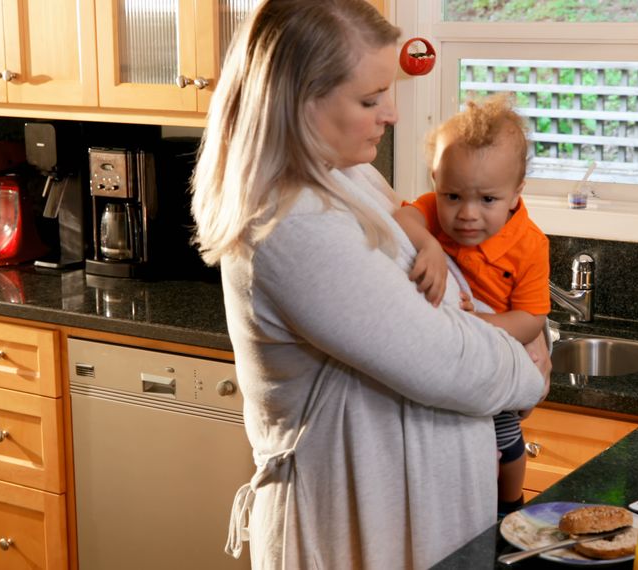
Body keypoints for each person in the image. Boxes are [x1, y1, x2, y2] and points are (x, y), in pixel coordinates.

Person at [188, 1, 550, 568]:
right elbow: (444, 361)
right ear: (299, 100)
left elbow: (441, 307)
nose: (393, 114)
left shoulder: (349, 176)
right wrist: (523, 367)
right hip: (354, 533)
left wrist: (508, 340)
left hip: (409, 525)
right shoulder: (293, 224)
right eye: (370, 98)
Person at [392, 95, 550, 515]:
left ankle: (510, 504)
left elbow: (532, 318)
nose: (467, 215)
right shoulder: (430, 211)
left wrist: (482, 322)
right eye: (453, 196)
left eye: (488, 200)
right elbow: (402, 220)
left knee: (506, 437)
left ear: (516, 194)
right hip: (452, 358)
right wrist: (427, 243)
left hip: (499, 347)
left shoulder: (529, 244)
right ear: (435, 181)